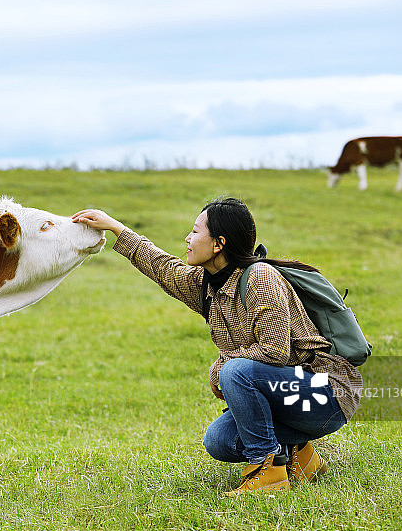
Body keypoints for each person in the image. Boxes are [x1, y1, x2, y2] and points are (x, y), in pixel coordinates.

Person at [72, 197, 362, 496]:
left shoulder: (260, 279)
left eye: (195, 231)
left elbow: (275, 351)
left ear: (218, 243)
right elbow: (163, 267)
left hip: (326, 395)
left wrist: (221, 367)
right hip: (289, 394)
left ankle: (269, 471)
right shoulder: (207, 285)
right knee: (219, 441)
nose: (187, 238)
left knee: (236, 372)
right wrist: (117, 228)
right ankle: (303, 457)